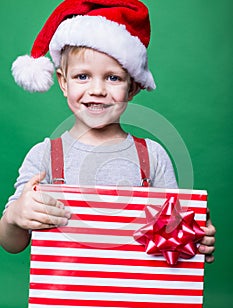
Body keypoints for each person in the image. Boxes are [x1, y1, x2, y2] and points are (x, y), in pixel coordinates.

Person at [0, 0, 215, 260]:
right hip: (65, 297)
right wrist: (15, 216)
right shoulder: (44, 156)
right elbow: (12, 243)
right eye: (82, 76)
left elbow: (174, 232)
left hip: (136, 297)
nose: (98, 90)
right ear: (63, 82)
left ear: (132, 87)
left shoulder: (153, 156)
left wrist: (195, 239)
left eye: (113, 77)